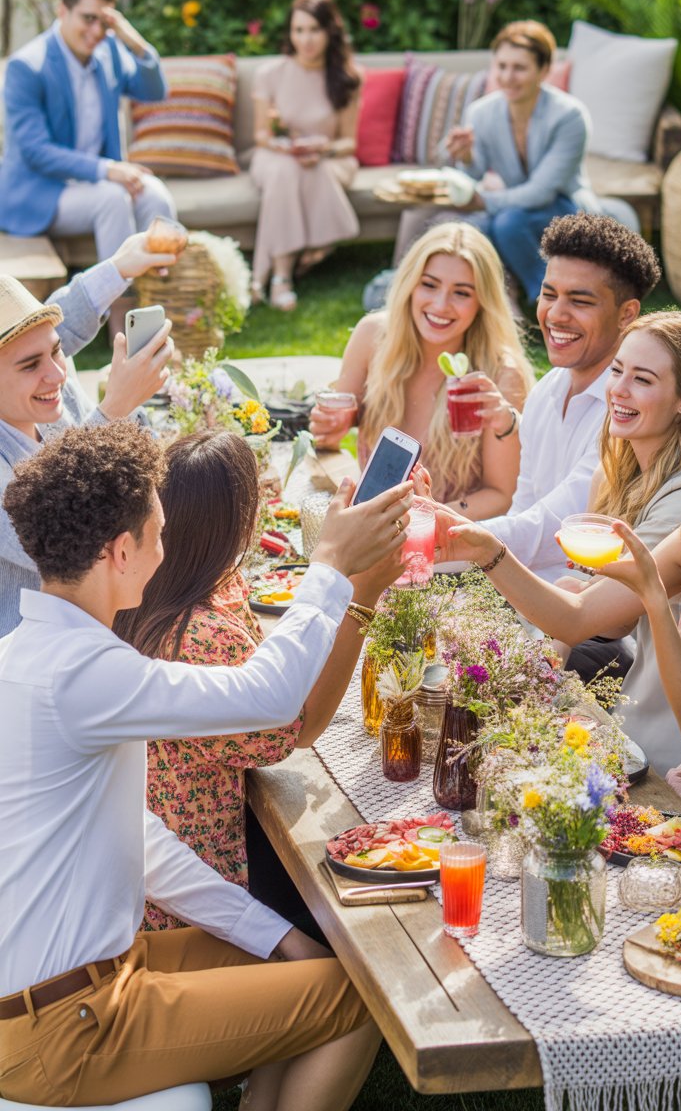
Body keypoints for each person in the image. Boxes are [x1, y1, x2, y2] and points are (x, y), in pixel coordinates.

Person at [0, 420, 413, 1107]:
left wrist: (280, 938)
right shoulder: (80, 673)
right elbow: (270, 698)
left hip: (91, 980)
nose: (168, 548)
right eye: (160, 532)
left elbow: (145, 843)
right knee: (364, 995)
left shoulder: (31, 655)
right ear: (120, 551)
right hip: (65, 1029)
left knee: (326, 970)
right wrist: (331, 569)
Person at [432, 382, 681, 940]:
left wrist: (655, 602)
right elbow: (576, 618)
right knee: (569, 861)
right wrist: (487, 552)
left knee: (642, 914)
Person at [114, 430, 401, 931]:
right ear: (242, 523)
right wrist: (365, 593)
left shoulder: (164, 589)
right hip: (199, 902)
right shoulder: (196, 637)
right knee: (368, 908)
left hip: (159, 874)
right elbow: (301, 727)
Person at [558, 310, 681, 773]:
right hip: (640, 689)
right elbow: (607, 624)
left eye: (643, 379)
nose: (618, 389)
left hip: (679, 734)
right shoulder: (619, 474)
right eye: (618, 370)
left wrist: (487, 554)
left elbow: (581, 620)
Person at [0, 233, 177, 636]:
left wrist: (122, 264)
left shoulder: (48, 400)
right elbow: (61, 540)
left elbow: (65, 319)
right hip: (28, 665)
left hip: (107, 624)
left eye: (58, 352)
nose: (58, 374)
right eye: (31, 366)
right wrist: (114, 409)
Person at [309, 221, 535, 518]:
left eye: (462, 293)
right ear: (410, 285)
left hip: (450, 545)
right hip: (371, 529)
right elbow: (327, 439)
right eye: (429, 285)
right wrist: (331, 427)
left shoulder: (500, 375)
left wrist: (418, 521)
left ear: (482, 302)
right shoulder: (372, 337)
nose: (440, 305)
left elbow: (501, 496)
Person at [480, 212, 659, 580]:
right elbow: (524, 504)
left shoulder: (628, 413)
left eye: (580, 301)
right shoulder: (548, 388)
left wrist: (445, 537)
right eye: (549, 294)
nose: (555, 315)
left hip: (586, 615)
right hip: (519, 589)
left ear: (627, 314)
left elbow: (553, 529)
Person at [394, 20, 601, 301]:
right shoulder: (482, 112)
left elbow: (542, 192)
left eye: (519, 68)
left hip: (566, 206)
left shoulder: (569, 116)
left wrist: (483, 201)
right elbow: (474, 173)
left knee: (505, 223)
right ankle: (511, 294)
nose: (508, 77)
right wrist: (466, 156)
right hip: (513, 209)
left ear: (544, 70)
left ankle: (544, 295)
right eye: (501, 66)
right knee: (489, 225)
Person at [0, 0, 177, 298]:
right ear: (62, 10)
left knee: (155, 194)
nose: (97, 31)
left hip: (96, 181)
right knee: (112, 198)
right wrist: (109, 170)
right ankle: (118, 314)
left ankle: (165, 297)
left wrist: (131, 39)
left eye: (105, 23)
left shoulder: (109, 53)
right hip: (40, 191)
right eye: (88, 19)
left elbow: (154, 90)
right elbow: (36, 151)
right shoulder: (27, 65)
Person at [250, 0, 362, 311]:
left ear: (330, 32)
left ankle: (265, 277)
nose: (306, 39)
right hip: (275, 157)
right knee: (286, 170)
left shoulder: (348, 79)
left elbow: (349, 143)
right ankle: (285, 272)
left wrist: (322, 148)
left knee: (301, 171)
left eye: (314, 29)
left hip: (329, 161)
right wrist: (285, 145)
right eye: (299, 30)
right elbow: (260, 135)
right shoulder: (269, 74)